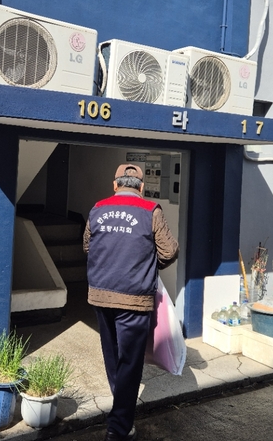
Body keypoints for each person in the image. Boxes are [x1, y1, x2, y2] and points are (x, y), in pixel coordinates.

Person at [83, 163, 179, 441]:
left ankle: (120, 409)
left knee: (113, 356)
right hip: (134, 299)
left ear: (115, 185)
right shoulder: (151, 210)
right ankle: (119, 427)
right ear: (142, 187)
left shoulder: (97, 209)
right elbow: (169, 251)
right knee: (130, 362)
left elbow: (88, 246)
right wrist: (145, 265)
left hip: (101, 295)